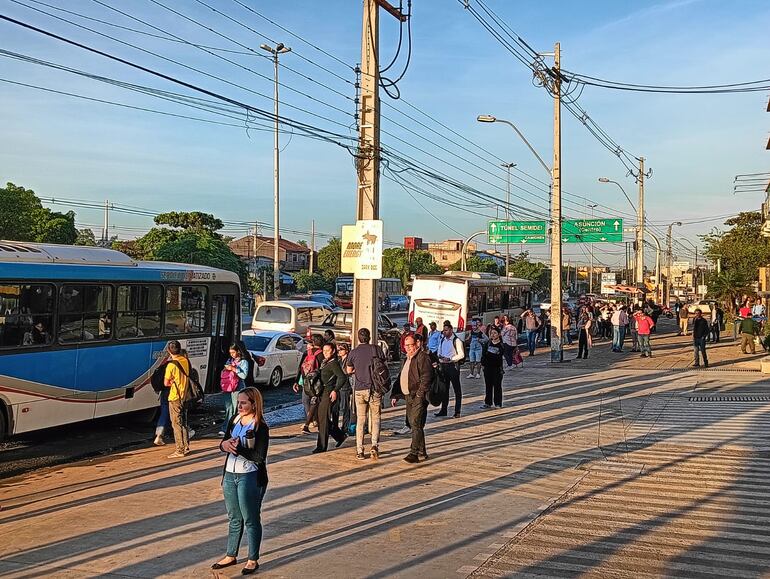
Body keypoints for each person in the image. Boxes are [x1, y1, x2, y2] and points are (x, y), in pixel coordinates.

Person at [212, 387, 269, 576]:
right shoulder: (234, 420)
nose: (240, 406)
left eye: (244, 402)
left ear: (254, 403)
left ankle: (253, 559)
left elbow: (259, 456)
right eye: (239, 402)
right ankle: (231, 554)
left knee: (251, 518)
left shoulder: (260, 426)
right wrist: (224, 445)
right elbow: (226, 443)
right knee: (234, 517)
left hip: (250, 476)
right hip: (230, 474)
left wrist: (238, 449)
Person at [390, 334, 433, 463]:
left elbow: (426, 377)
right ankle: (422, 451)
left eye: (410, 345)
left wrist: (420, 394)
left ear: (417, 344)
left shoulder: (422, 357)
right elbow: (401, 377)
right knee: (415, 424)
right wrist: (396, 394)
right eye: (406, 345)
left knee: (415, 423)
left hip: (418, 396)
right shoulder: (406, 358)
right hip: (408, 395)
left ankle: (413, 452)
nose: (408, 348)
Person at [346, 328, 386, 460]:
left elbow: (349, 369)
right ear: (369, 337)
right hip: (375, 388)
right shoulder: (377, 349)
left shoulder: (353, 352)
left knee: (361, 420)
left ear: (358, 338)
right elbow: (384, 366)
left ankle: (360, 450)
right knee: (376, 418)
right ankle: (374, 445)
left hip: (360, 389)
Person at [312, 343, 348, 453]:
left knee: (323, 419)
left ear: (333, 351)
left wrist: (335, 390)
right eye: (324, 351)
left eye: (328, 350)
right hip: (322, 393)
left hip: (329, 393)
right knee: (321, 418)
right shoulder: (324, 362)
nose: (325, 353)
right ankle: (339, 435)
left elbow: (342, 377)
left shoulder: (333, 363)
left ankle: (322, 446)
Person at [293, 335, 324, 435]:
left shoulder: (308, 353)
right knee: (315, 402)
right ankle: (314, 422)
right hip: (318, 382)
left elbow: (300, 367)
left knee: (306, 400)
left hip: (307, 380)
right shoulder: (323, 354)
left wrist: (297, 381)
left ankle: (309, 421)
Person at [164, 340, 190, 459]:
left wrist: (172, 382)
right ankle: (186, 446)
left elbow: (166, 383)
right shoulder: (185, 360)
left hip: (175, 396)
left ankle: (179, 450)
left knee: (176, 423)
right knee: (183, 421)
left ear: (169, 351)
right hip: (185, 395)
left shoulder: (171, 365)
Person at [435, 321, 465, 418]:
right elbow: (439, 351)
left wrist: (451, 359)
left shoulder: (456, 341)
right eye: (443, 330)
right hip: (443, 366)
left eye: (446, 330)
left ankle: (457, 411)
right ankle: (443, 410)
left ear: (451, 330)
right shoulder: (443, 340)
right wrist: (439, 359)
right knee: (444, 389)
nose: (444, 332)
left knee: (457, 389)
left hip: (453, 366)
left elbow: (461, 355)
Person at [220, 343, 249, 436]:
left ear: (238, 351)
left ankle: (234, 428)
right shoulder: (229, 360)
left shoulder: (243, 362)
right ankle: (226, 428)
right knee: (229, 408)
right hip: (227, 387)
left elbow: (244, 375)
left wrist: (234, 369)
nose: (232, 354)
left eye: (233, 352)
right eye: (230, 353)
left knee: (237, 408)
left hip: (238, 387)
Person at [481, 327, 504, 409]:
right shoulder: (487, 343)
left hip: (497, 368)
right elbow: (483, 355)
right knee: (488, 385)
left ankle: (498, 403)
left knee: (497, 386)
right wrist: (483, 365)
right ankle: (488, 402)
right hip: (487, 368)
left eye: (495, 333)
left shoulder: (501, 345)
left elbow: (499, 356)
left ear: (499, 334)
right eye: (491, 333)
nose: (493, 335)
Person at [334, 342, 354, 436]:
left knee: (345, 407)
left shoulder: (348, 360)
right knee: (339, 407)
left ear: (346, 350)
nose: (339, 351)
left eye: (341, 349)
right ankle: (339, 425)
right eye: (338, 349)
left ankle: (345, 426)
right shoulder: (339, 360)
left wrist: (349, 373)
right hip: (339, 385)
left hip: (345, 385)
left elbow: (351, 370)